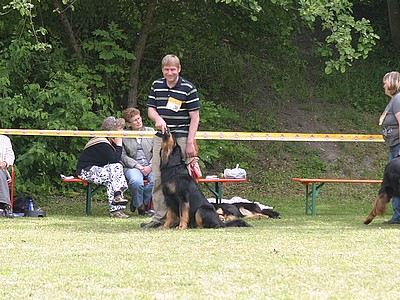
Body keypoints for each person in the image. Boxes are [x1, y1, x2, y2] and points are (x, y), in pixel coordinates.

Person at [141, 54, 200, 228]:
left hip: (181, 138)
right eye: (166, 69)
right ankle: (160, 219)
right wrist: (157, 119)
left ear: (179, 69)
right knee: (159, 179)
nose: (170, 73)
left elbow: (195, 117)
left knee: (184, 182)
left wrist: (190, 142)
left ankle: (186, 219)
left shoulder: (188, 88)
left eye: (173, 69)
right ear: (162, 70)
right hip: (161, 138)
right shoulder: (157, 85)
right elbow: (151, 109)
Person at [76, 116, 130, 218]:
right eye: (120, 130)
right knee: (116, 169)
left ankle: (116, 209)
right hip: (86, 171)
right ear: (111, 131)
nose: (122, 133)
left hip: (100, 170)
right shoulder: (101, 142)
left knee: (112, 178)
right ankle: (117, 199)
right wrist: (119, 144)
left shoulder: (107, 141)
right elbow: (114, 160)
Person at [121, 108, 155, 216]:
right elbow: (122, 155)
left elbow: (158, 151)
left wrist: (150, 166)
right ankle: (140, 206)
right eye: (135, 120)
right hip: (133, 166)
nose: (138, 121)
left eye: (139, 118)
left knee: (156, 181)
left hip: (151, 164)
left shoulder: (150, 131)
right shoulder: (124, 135)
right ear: (128, 124)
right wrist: (138, 166)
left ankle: (140, 203)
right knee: (136, 182)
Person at [380, 71, 400, 224]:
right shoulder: (393, 100)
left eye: (386, 82)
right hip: (393, 145)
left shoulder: (398, 100)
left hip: (398, 147)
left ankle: (398, 215)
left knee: (395, 181)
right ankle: (397, 215)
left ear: (393, 82)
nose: (384, 85)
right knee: (395, 181)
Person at [0, 134, 15, 218]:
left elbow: (10, 156)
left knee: (0, 172)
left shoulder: (4, 140)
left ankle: (6, 205)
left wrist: (5, 163)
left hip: (1, 169)